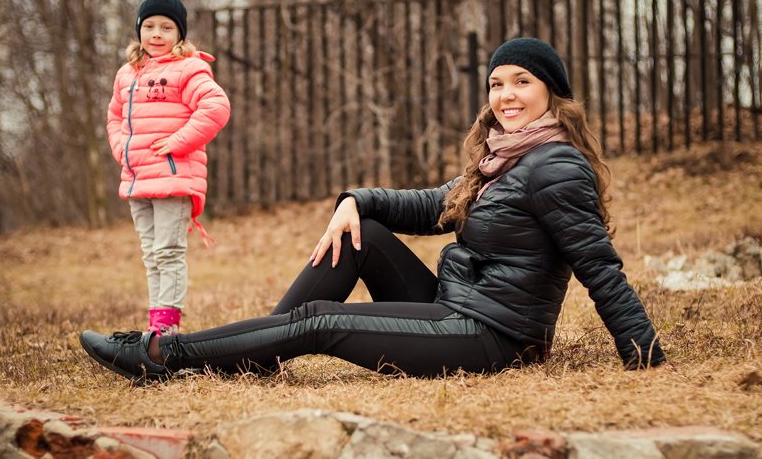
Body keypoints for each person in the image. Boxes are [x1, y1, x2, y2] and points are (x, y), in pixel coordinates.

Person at [82, 37, 665, 383]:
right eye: (496, 84)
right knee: (361, 234)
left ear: (551, 93)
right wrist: (354, 202)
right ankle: (256, 353)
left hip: (494, 337)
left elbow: (598, 265)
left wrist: (643, 355)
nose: (505, 96)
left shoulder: (554, 165)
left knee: (321, 322)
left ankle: (161, 354)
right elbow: (432, 204)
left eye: (522, 82)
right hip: (455, 307)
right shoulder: (502, 157)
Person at [106, 0, 231, 336]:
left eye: (166, 27)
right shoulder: (126, 74)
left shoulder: (187, 68)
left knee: (168, 252)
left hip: (173, 180)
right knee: (151, 255)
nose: (156, 34)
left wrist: (178, 142)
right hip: (137, 179)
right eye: (149, 26)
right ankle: (154, 326)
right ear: (139, 30)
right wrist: (120, 149)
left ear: (180, 34)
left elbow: (216, 107)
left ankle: (166, 329)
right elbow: (114, 117)